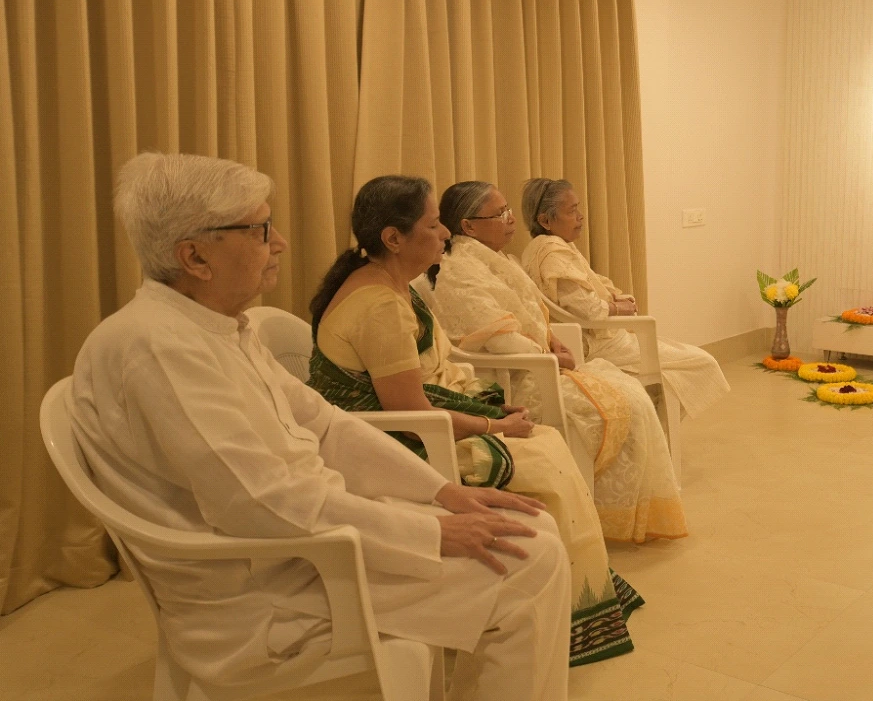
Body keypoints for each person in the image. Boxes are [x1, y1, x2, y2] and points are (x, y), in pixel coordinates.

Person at [68, 153, 569, 699]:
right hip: (267, 588)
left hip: (306, 546)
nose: (280, 242)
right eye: (261, 230)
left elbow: (327, 426)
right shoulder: (157, 348)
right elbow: (260, 502)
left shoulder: (215, 327)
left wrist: (443, 493)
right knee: (530, 559)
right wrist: (433, 532)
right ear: (195, 257)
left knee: (533, 532)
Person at [307, 174, 641, 666]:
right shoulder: (379, 304)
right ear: (394, 238)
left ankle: (577, 598)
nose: (445, 233)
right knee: (544, 454)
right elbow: (411, 415)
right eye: (433, 224)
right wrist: (493, 426)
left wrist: (489, 409)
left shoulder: (388, 283)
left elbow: (429, 376)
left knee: (548, 441)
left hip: (412, 420)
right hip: (397, 443)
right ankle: (570, 612)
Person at [413, 182, 687, 545]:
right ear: (468, 226)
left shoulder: (500, 260)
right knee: (626, 403)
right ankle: (601, 514)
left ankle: (623, 508)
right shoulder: (460, 269)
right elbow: (498, 339)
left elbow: (533, 315)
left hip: (537, 361)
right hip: (513, 378)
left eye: (509, 210)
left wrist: (552, 339)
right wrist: (548, 356)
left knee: (632, 393)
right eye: (501, 214)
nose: (512, 220)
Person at [518, 177, 730, 421]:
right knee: (701, 362)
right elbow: (588, 309)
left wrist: (617, 298)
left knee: (674, 375)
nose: (580, 217)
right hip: (598, 344)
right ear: (545, 221)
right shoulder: (553, 252)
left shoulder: (543, 247)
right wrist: (618, 308)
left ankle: (660, 432)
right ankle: (660, 433)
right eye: (572, 211)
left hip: (604, 336)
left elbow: (593, 281)